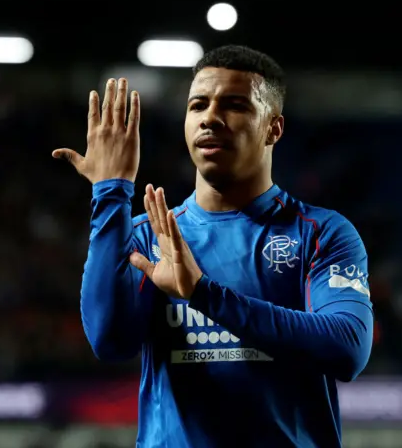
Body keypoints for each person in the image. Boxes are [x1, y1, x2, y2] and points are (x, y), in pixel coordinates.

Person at [53, 45, 374, 448]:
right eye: (198, 105)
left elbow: (346, 347)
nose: (210, 118)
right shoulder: (149, 234)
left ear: (274, 127)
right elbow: (110, 342)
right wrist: (110, 191)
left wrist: (202, 294)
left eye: (235, 105)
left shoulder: (320, 231)